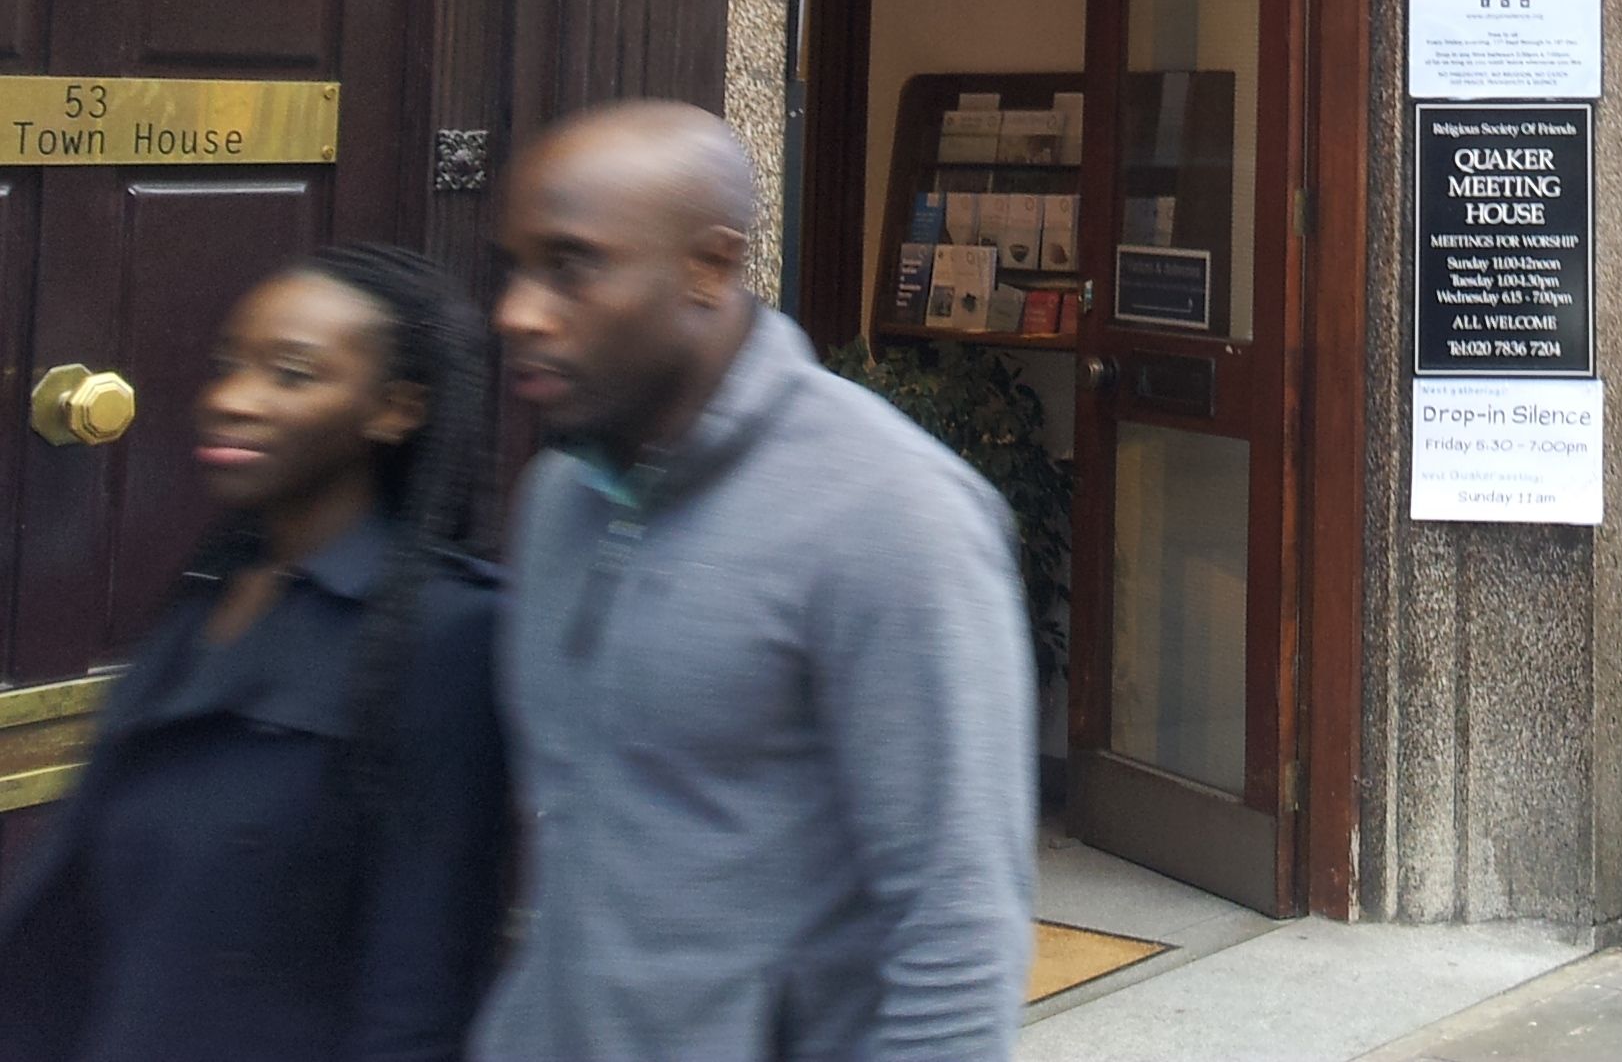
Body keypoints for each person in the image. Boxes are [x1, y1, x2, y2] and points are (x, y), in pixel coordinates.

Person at [473, 102, 1033, 1062]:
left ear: (710, 267)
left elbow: (956, 928)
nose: (518, 311)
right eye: (512, 269)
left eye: (571, 266)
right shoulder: (560, 496)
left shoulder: (894, 517)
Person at [0, 247, 505, 1062]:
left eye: (292, 374)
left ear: (395, 408)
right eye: (229, 365)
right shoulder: (208, 594)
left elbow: (420, 971)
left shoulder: (446, 634)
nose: (233, 399)